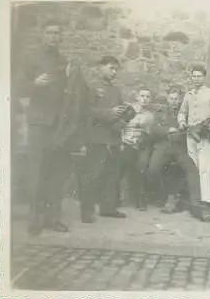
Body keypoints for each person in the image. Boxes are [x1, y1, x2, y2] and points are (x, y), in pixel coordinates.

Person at [21, 20, 89, 235]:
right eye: (49, 32)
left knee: (57, 173)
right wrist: (33, 84)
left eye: (57, 33)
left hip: (60, 127)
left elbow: (72, 92)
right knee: (37, 172)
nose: (53, 36)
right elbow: (12, 86)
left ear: (61, 37)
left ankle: (53, 218)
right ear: (42, 35)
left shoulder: (64, 61)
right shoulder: (31, 59)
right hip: (39, 123)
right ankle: (35, 219)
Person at [79, 56, 132, 223]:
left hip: (114, 138)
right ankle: (86, 211)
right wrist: (110, 113)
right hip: (97, 137)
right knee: (92, 175)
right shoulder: (91, 87)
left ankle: (108, 208)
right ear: (100, 67)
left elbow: (121, 111)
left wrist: (125, 118)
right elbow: (86, 111)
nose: (114, 72)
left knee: (111, 175)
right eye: (111, 68)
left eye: (116, 69)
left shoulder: (116, 90)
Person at [145, 90, 201, 214]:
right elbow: (154, 129)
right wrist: (168, 130)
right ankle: (165, 198)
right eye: (171, 99)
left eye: (176, 99)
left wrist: (183, 130)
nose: (174, 102)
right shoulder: (160, 113)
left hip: (181, 147)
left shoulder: (186, 114)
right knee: (153, 170)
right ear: (167, 100)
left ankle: (196, 204)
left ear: (180, 100)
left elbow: (193, 129)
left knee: (192, 169)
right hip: (163, 146)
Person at [177, 64, 210, 211]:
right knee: (193, 167)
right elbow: (182, 112)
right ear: (191, 77)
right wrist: (182, 122)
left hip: (204, 135)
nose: (196, 79)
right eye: (194, 76)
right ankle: (195, 200)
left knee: (206, 168)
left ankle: (206, 200)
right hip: (190, 135)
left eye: (199, 76)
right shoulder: (188, 95)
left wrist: (208, 127)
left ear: (204, 77)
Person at [120, 89, 155, 211]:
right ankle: (119, 196)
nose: (145, 99)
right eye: (142, 96)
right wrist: (123, 140)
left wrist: (142, 139)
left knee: (142, 166)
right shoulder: (128, 110)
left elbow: (150, 133)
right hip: (126, 142)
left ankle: (140, 198)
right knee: (124, 163)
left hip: (141, 144)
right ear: (137, 97)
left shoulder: (150, 115)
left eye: (147, 96)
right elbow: (120, 126)